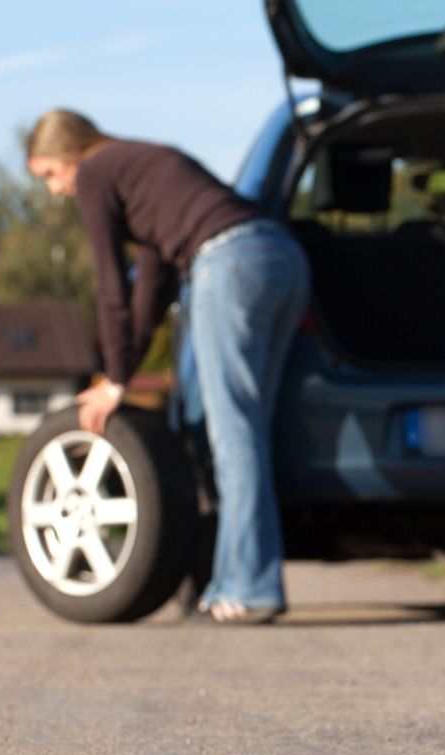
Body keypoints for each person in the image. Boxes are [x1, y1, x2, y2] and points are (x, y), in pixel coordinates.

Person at [27, 109, 309, 624]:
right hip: (281, 259)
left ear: (68, 154)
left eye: (49, 175)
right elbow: (150, 288)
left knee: (233, 435)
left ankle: (250, 587)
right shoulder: (143, 166)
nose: (55, 190)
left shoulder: (96, 172)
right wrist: (125, 369)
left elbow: (112, 286)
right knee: (245, 431)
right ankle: (228, 582)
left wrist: (114, 380)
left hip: (229, 263)